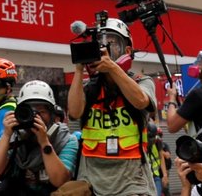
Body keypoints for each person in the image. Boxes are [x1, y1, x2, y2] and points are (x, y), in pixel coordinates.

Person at [67, 17, 157, 196]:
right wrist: (79, 69)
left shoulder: (142, 81)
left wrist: (113, 68)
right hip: (92, 183)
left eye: (112, 44)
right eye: (100, 44)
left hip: (132, 184)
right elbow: (75, 112)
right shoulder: (89, 87)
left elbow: (141, 101)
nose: (105, 49)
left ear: (127, 50)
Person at [0, 80, 78, 195]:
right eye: (29, 111)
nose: (35, 116)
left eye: (42, 111)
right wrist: (6, 135)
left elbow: (60, 181)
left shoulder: (66, 140)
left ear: (52, 114)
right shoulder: (14, 136)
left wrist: (44, 142)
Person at [148, 122, 168, 196]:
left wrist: (165, 175)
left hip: (156, 175)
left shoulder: (157, 141)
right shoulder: (141, 140)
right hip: (145, 177)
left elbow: (161, 157)